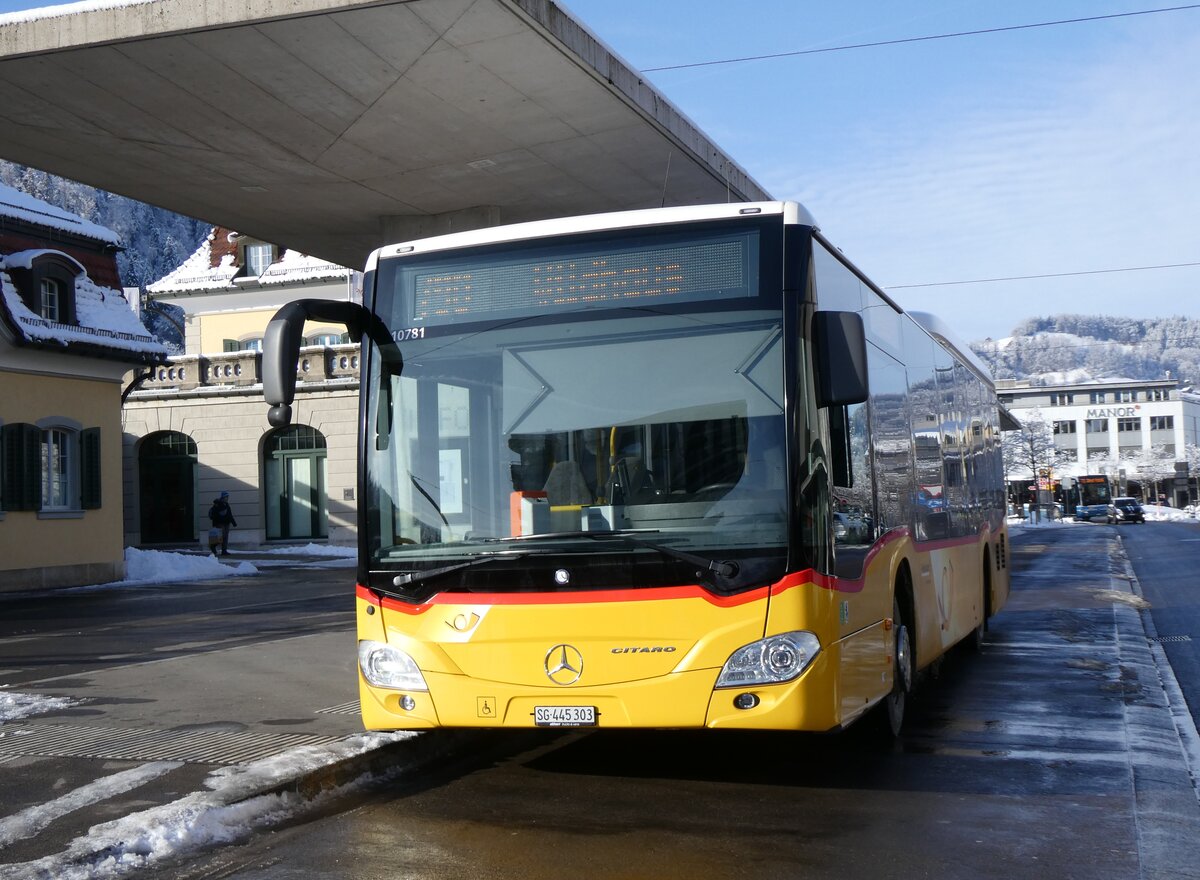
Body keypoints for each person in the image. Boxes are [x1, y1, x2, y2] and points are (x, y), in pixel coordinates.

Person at [207, 491, 237, 556]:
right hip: (219, 523)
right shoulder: (217, 504)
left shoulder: (226, 504)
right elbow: (214, 514)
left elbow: (229, 514)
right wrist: (216, 522)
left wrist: (233, 522)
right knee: (221, 537)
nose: (227, 498)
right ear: (223, 497)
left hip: (226, 523)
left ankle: (224, 551)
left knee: (225, 537)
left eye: (227, 497)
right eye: (226, 497)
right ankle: (213, 546)